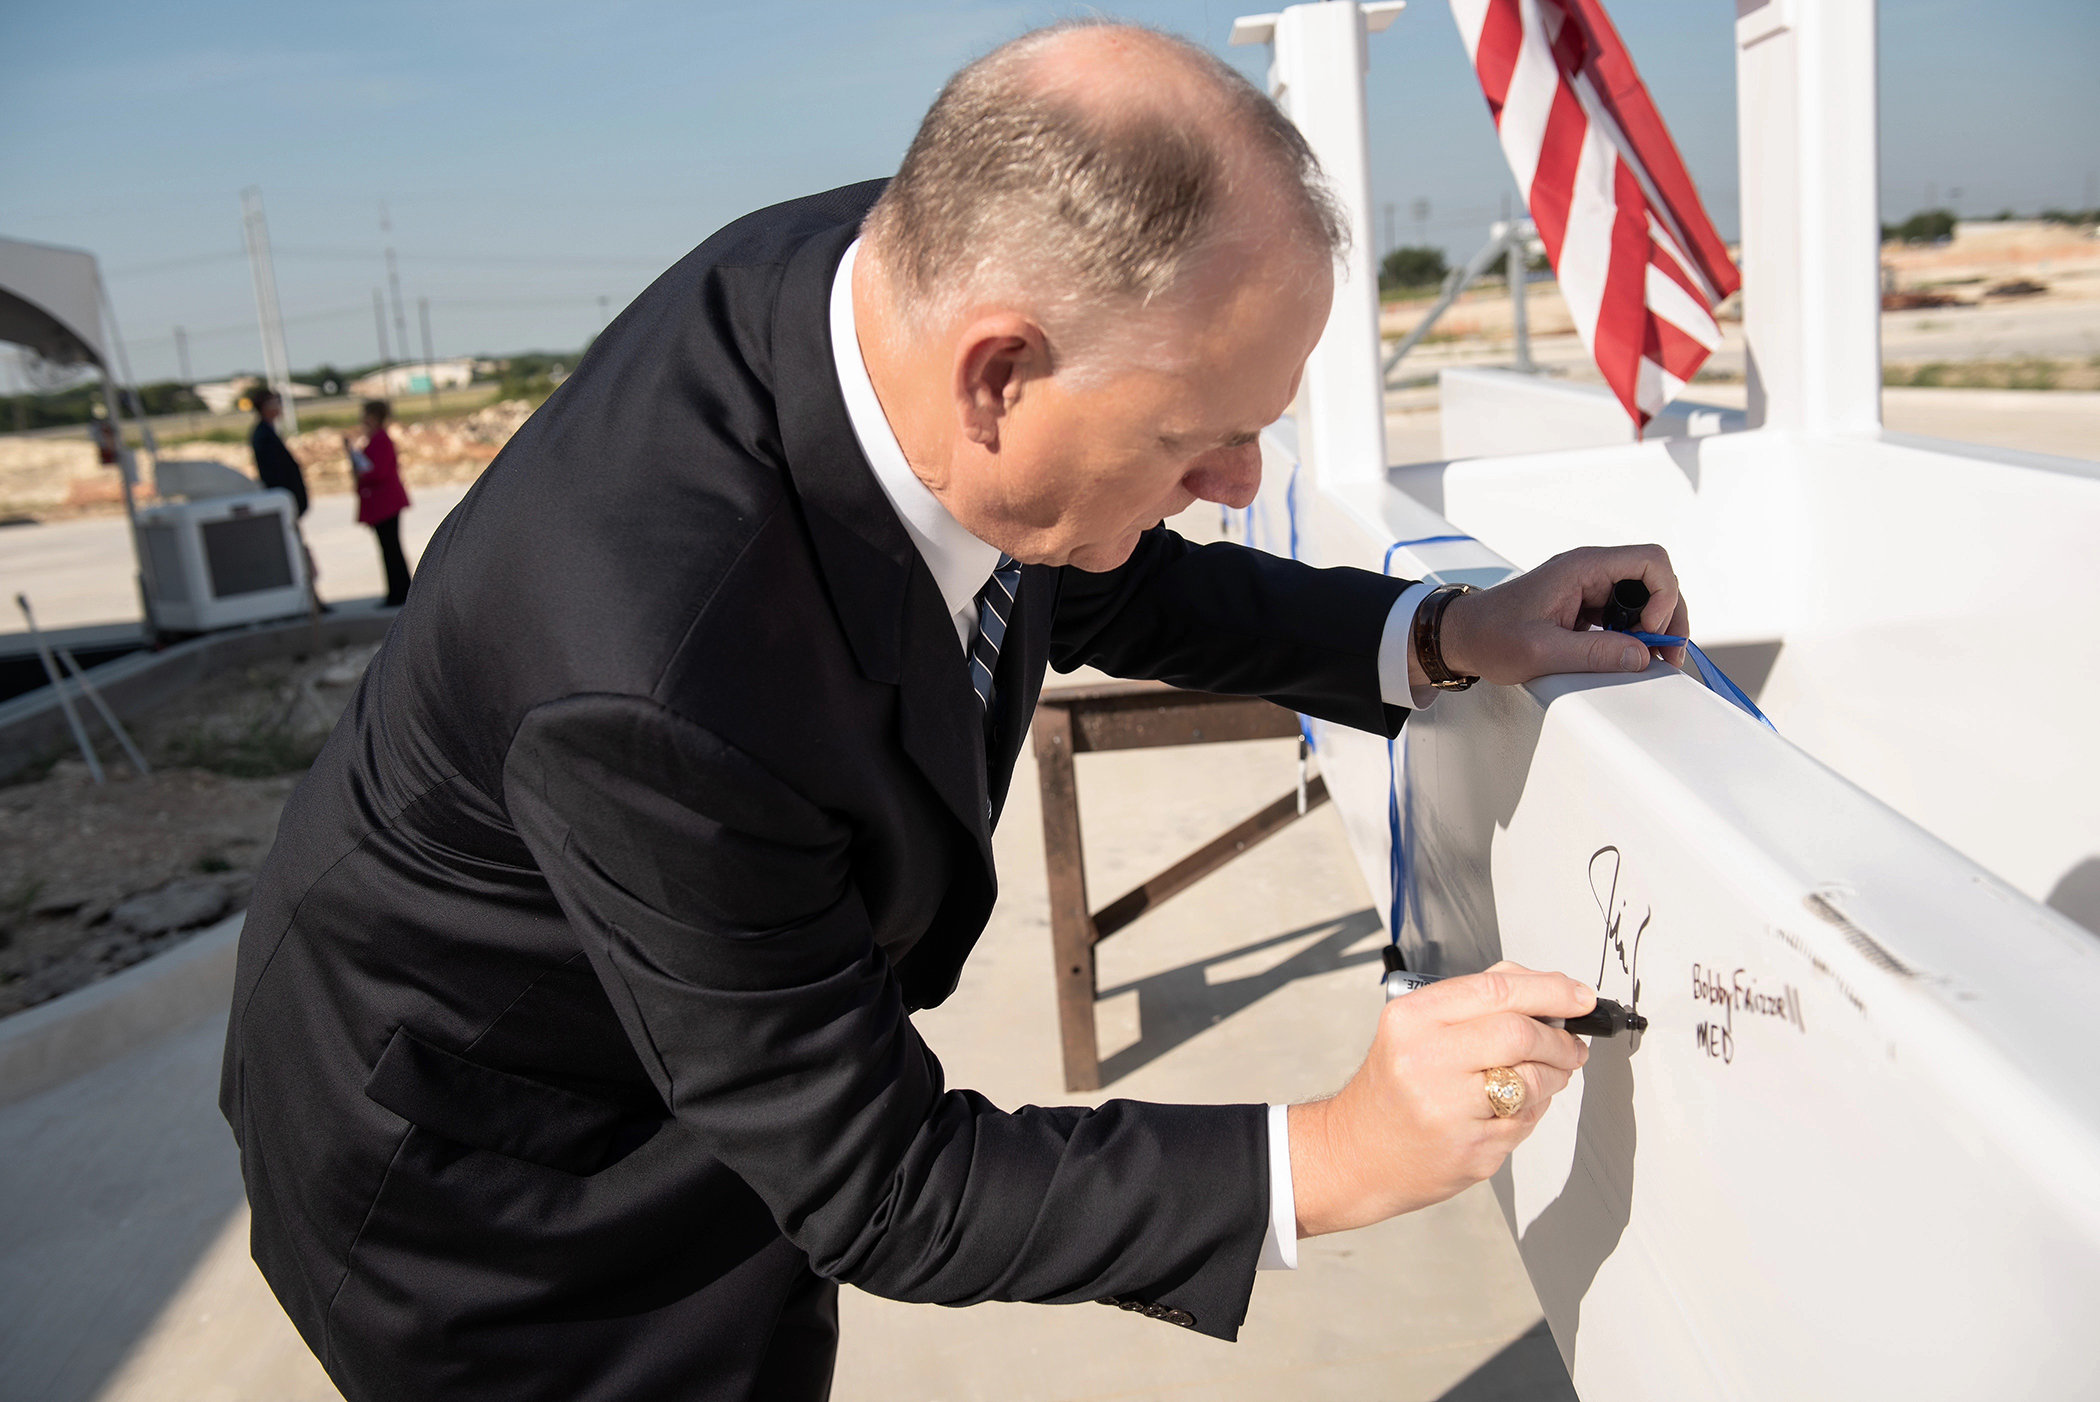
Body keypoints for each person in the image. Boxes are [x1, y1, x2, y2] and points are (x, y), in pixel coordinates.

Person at [220, 22, 1690, 1402]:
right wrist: (1331, 1151)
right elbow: (878, 1177)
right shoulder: (660, 677)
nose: (1242, 483)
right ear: (999, 373)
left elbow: (1088, 568)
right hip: (509, 1189)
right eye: (1200, 438)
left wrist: (1438, 630)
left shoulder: (917, 286)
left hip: (692, 1050)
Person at [343, 399, 413, 607]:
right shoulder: (375, 440)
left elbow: (377, 472)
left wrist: (359, 467)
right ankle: (399, 590)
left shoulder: (381, 440)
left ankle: (399, 592)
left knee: (391, 548)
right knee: (390, 548)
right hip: (383, 502)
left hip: (386, 502)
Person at [248, 388, 308, 517]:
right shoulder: (263, 435)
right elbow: (274, 471)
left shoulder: (268, 431)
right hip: (282, 494)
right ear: (265, 407)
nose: (279, 407)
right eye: (275, 403)